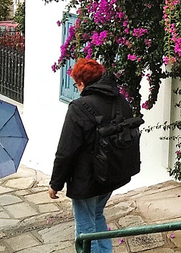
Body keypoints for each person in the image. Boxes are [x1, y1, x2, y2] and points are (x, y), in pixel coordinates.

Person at [49, 58, 136, 253]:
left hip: (86, 180)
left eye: (76, 83)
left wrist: (55, 184)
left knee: (85, 228)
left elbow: (66, 151)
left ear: (82, 83)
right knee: (97, 215)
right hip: (112, 173)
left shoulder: (78, 107)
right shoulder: (120, 100)